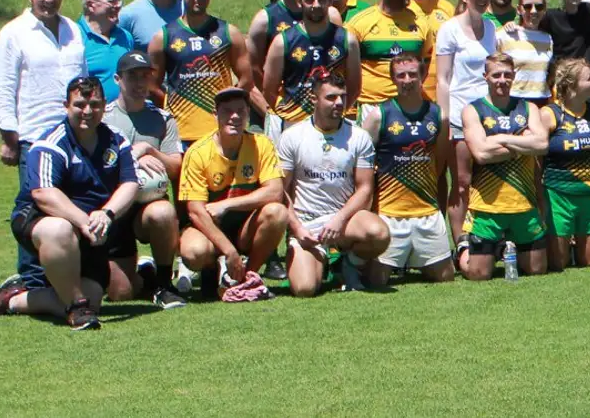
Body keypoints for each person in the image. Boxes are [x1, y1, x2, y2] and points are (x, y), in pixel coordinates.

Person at [0, 78, 137, 329]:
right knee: (59, 230)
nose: (87, 111)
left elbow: (130, 184)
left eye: (94, 104)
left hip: (90, 227)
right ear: (66, 106)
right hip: (39, 219)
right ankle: (75, 309)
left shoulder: (117, 139)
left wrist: (106, 214)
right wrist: (85, 222)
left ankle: (13, 300)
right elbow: (43, 193)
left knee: (93, 298)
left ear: (104, 106)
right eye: (80, 104)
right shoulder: (51, 143)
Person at [276, 73, 388, 297]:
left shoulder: (359, 137)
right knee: (304, 289)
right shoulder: (292, 136)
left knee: (379, 234)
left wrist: (339, 219)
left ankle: (348, 263)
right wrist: (297, 229)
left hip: (344, 223)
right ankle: (323, 260)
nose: (339, 103)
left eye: (343, 97)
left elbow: (365, 188)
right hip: (307, 224)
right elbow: (281, 190)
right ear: (313, 99)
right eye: (331, 97)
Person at [176, 88, 291, 286]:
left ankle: (247, 276)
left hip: (245, 229)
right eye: (227, 111)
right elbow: (195, 212)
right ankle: (211, 269)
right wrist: (229, 250)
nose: (235, 116)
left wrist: (226, 204)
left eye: (241, 111)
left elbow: (275, 191)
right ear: (215, 114)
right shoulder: (197, 152)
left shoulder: (262, 144)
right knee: (194, 252)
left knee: (277, 212)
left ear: (248, 113)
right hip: (208, 230)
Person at [358, 53, 457, 282]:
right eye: (401, 75)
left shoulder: (438, 115)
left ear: (422, 76)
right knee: (377, 280)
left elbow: (440, 162)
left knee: (445, 277)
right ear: (393, 79)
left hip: (427, 213)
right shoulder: (378, 115)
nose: (407, 80)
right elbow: (362, 162)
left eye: (412, 74)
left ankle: (414, 258)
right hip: (390, 214)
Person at [98, 52, 186, 308]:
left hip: (148, 205)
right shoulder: (103, 119)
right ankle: (144, 274)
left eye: (144, 77)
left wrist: (150, 150)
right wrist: (131, 160)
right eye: (132, 77)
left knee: (163, 212)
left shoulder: (163, 119)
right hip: (114, 207)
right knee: (120, 294)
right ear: (117, 79)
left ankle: (163, 283)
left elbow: (175, 167)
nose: (139, 84)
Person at [461, 54, 550, 279]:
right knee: (478, 275)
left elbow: (541, 144)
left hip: (524, 204)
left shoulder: (528, 108)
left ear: (514, 76)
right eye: (496, 75)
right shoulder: (473, 110)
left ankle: (506, 248)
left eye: (507, 75)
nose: (502, 80)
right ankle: (462, 249)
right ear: (486, 77)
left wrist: (500, 139)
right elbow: (481, 153)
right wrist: (522, 140)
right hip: (488, 206)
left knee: (537, 270)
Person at [0, 0, 86, 176]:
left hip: (75, 136)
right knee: (37, 205)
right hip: (34, 137)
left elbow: (84, 80)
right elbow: (2, 89)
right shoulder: (13, 33)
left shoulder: (73, 29)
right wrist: (9, 138)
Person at [149, 0, 250, 148]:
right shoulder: (163, 37)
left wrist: (228, 105)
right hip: (182, 132)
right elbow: (152, 85)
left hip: (221, 130)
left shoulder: (229, 33)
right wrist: (173, 107)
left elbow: (246, 79)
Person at [261, 0, 360, 142]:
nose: (316, 5)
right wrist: (288, 114)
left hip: (333, 125)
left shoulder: (347, 40)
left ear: (330, 1)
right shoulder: (282, 42)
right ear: (300, 1)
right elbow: (269, 90)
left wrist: (337, 112)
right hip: (294, 124)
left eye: (321, 0)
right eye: (310, 0)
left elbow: (355, 87)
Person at [435, 0, 498, 235]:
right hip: (460, 113)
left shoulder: (491, 28)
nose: (482, 0)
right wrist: (445, 118)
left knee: (486, 179)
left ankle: (484, 232)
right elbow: (443, 78)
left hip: (486, 113)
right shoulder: (450, 29)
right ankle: (460, 238)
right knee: (461, 181)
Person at [540, 58, 590, 269]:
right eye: (589, 78)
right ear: (571, 85)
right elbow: (536, 161)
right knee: (558, 265)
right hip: (559, 197)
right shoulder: (550, 114)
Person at [347, 0, 436, 108]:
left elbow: (425, 63)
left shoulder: (421, 22)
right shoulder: (359, 23)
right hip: (372, 104)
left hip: (408, 106)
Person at [246, 0, 315, 109]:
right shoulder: (264, 19)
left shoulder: (325, 13)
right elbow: (253, 68)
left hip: (318, 105)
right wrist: (271, 104)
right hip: (280, 104)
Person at [76, 0, 134, 101]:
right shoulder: (74, 37)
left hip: (124, 114)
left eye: (119, 0)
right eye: (112, 1)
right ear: (91, 5)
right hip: (91, 115)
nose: (119, 5)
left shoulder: (125, 36)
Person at [496, 0, 553, 102]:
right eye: (527, 7)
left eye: (539, 7)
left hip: (541, 99)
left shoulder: (547, 38)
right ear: (519, 10)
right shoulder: (504, 35)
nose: (533, 11)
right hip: (513, 99)